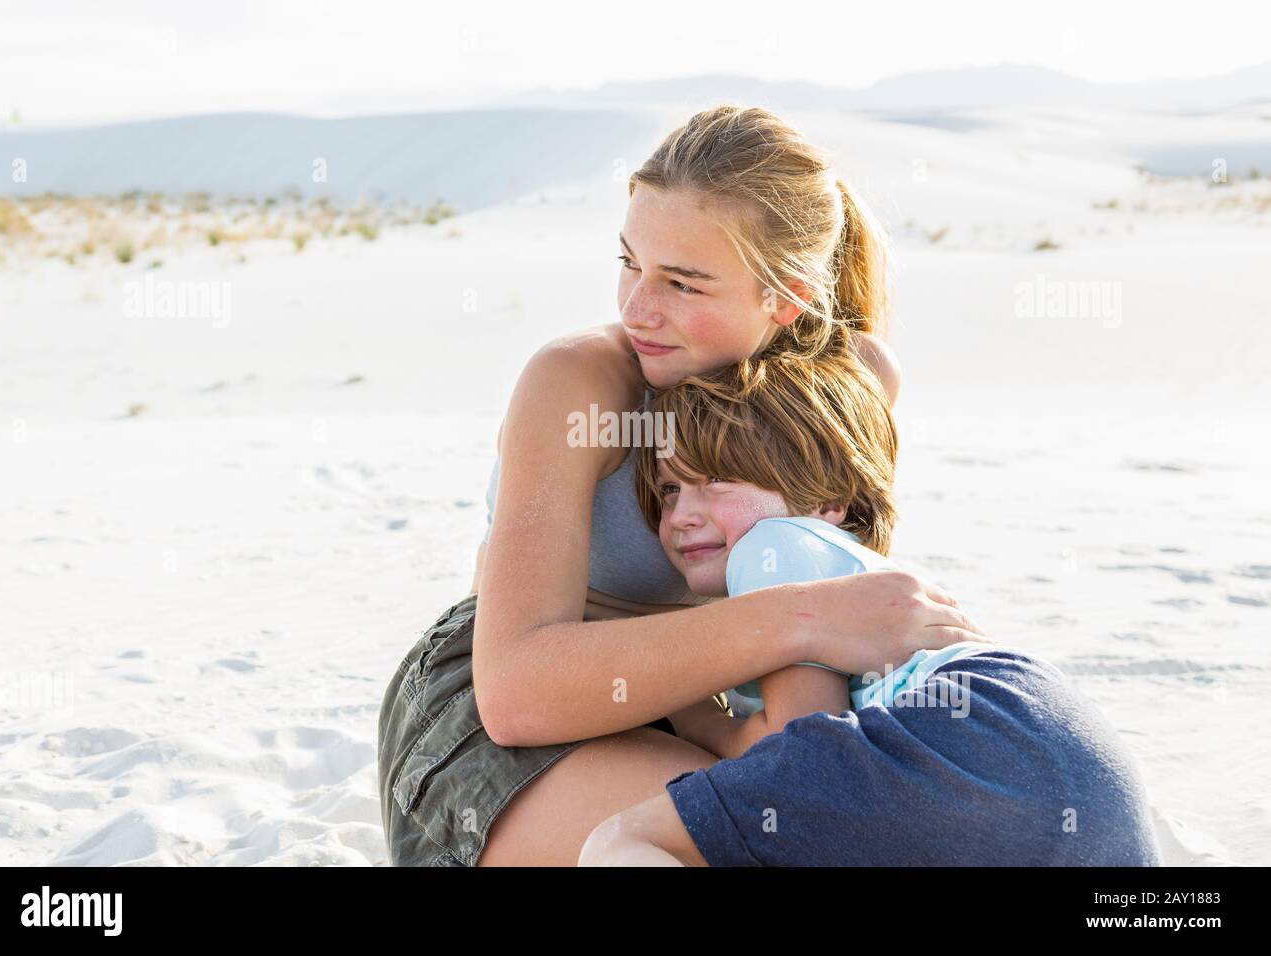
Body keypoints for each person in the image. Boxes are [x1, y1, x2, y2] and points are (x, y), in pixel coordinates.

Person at [378, 104, 985, 867]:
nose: (637, 309)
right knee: (774, 841)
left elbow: (831, 594)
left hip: (719, 705)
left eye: (683, 283)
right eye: (629, 263)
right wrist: (802, 619)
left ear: (787, 297)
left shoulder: (851, 383)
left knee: (862, 832)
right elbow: (516, 693)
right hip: (510, 716)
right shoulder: (582, 389)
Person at [577, 354, 1162, 866]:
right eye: (671, 489)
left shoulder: (773, 548)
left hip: (974, 740)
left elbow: (798, 743)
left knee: (622, 840)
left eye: (717, 480)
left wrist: (695, 713)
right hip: (1074, 767)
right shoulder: (841, 569)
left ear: (829, 499)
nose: (682, 513)